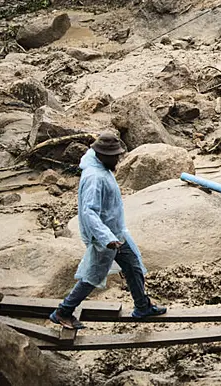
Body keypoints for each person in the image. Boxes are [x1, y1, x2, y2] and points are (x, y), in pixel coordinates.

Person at [49, 133, 166, 330]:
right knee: (93, 276)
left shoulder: (101, 168)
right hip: (103, 236)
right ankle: (63, 311)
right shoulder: (94, 177)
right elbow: (89, 212)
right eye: (114, 156)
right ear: (101, 155)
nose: (117, 160)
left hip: (116, 233)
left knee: (133, 266)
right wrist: (106, 238)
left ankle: (142, 306)